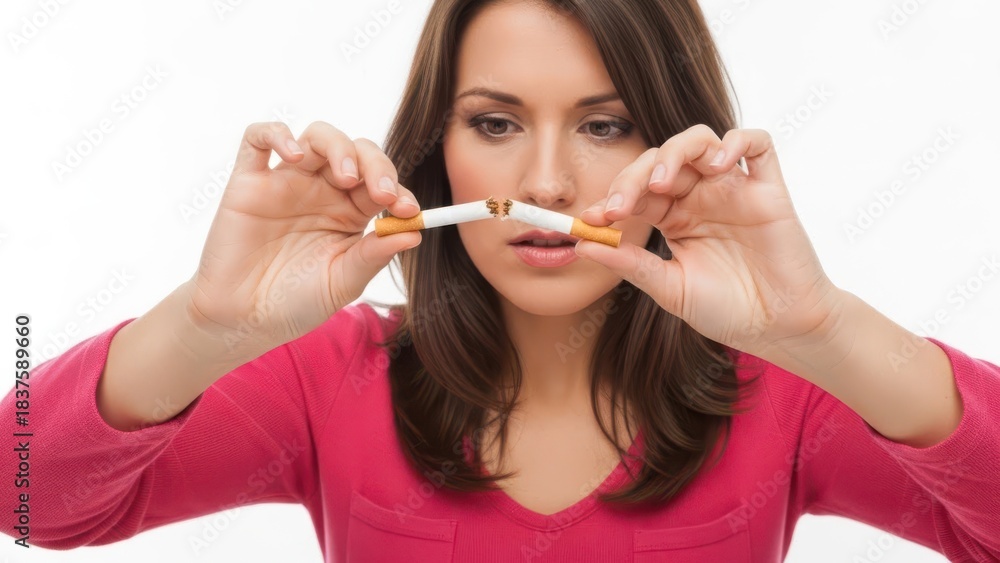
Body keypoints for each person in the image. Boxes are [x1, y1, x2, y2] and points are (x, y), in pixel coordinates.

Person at [3, 0, 998, 561]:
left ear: (675, 143)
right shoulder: (327, 374)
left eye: (605, 125)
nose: (548, 184)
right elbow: (25, 493)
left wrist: (821, 329)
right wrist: (208, 321)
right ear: (436, 152)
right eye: (495, 123)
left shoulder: (789, 384)